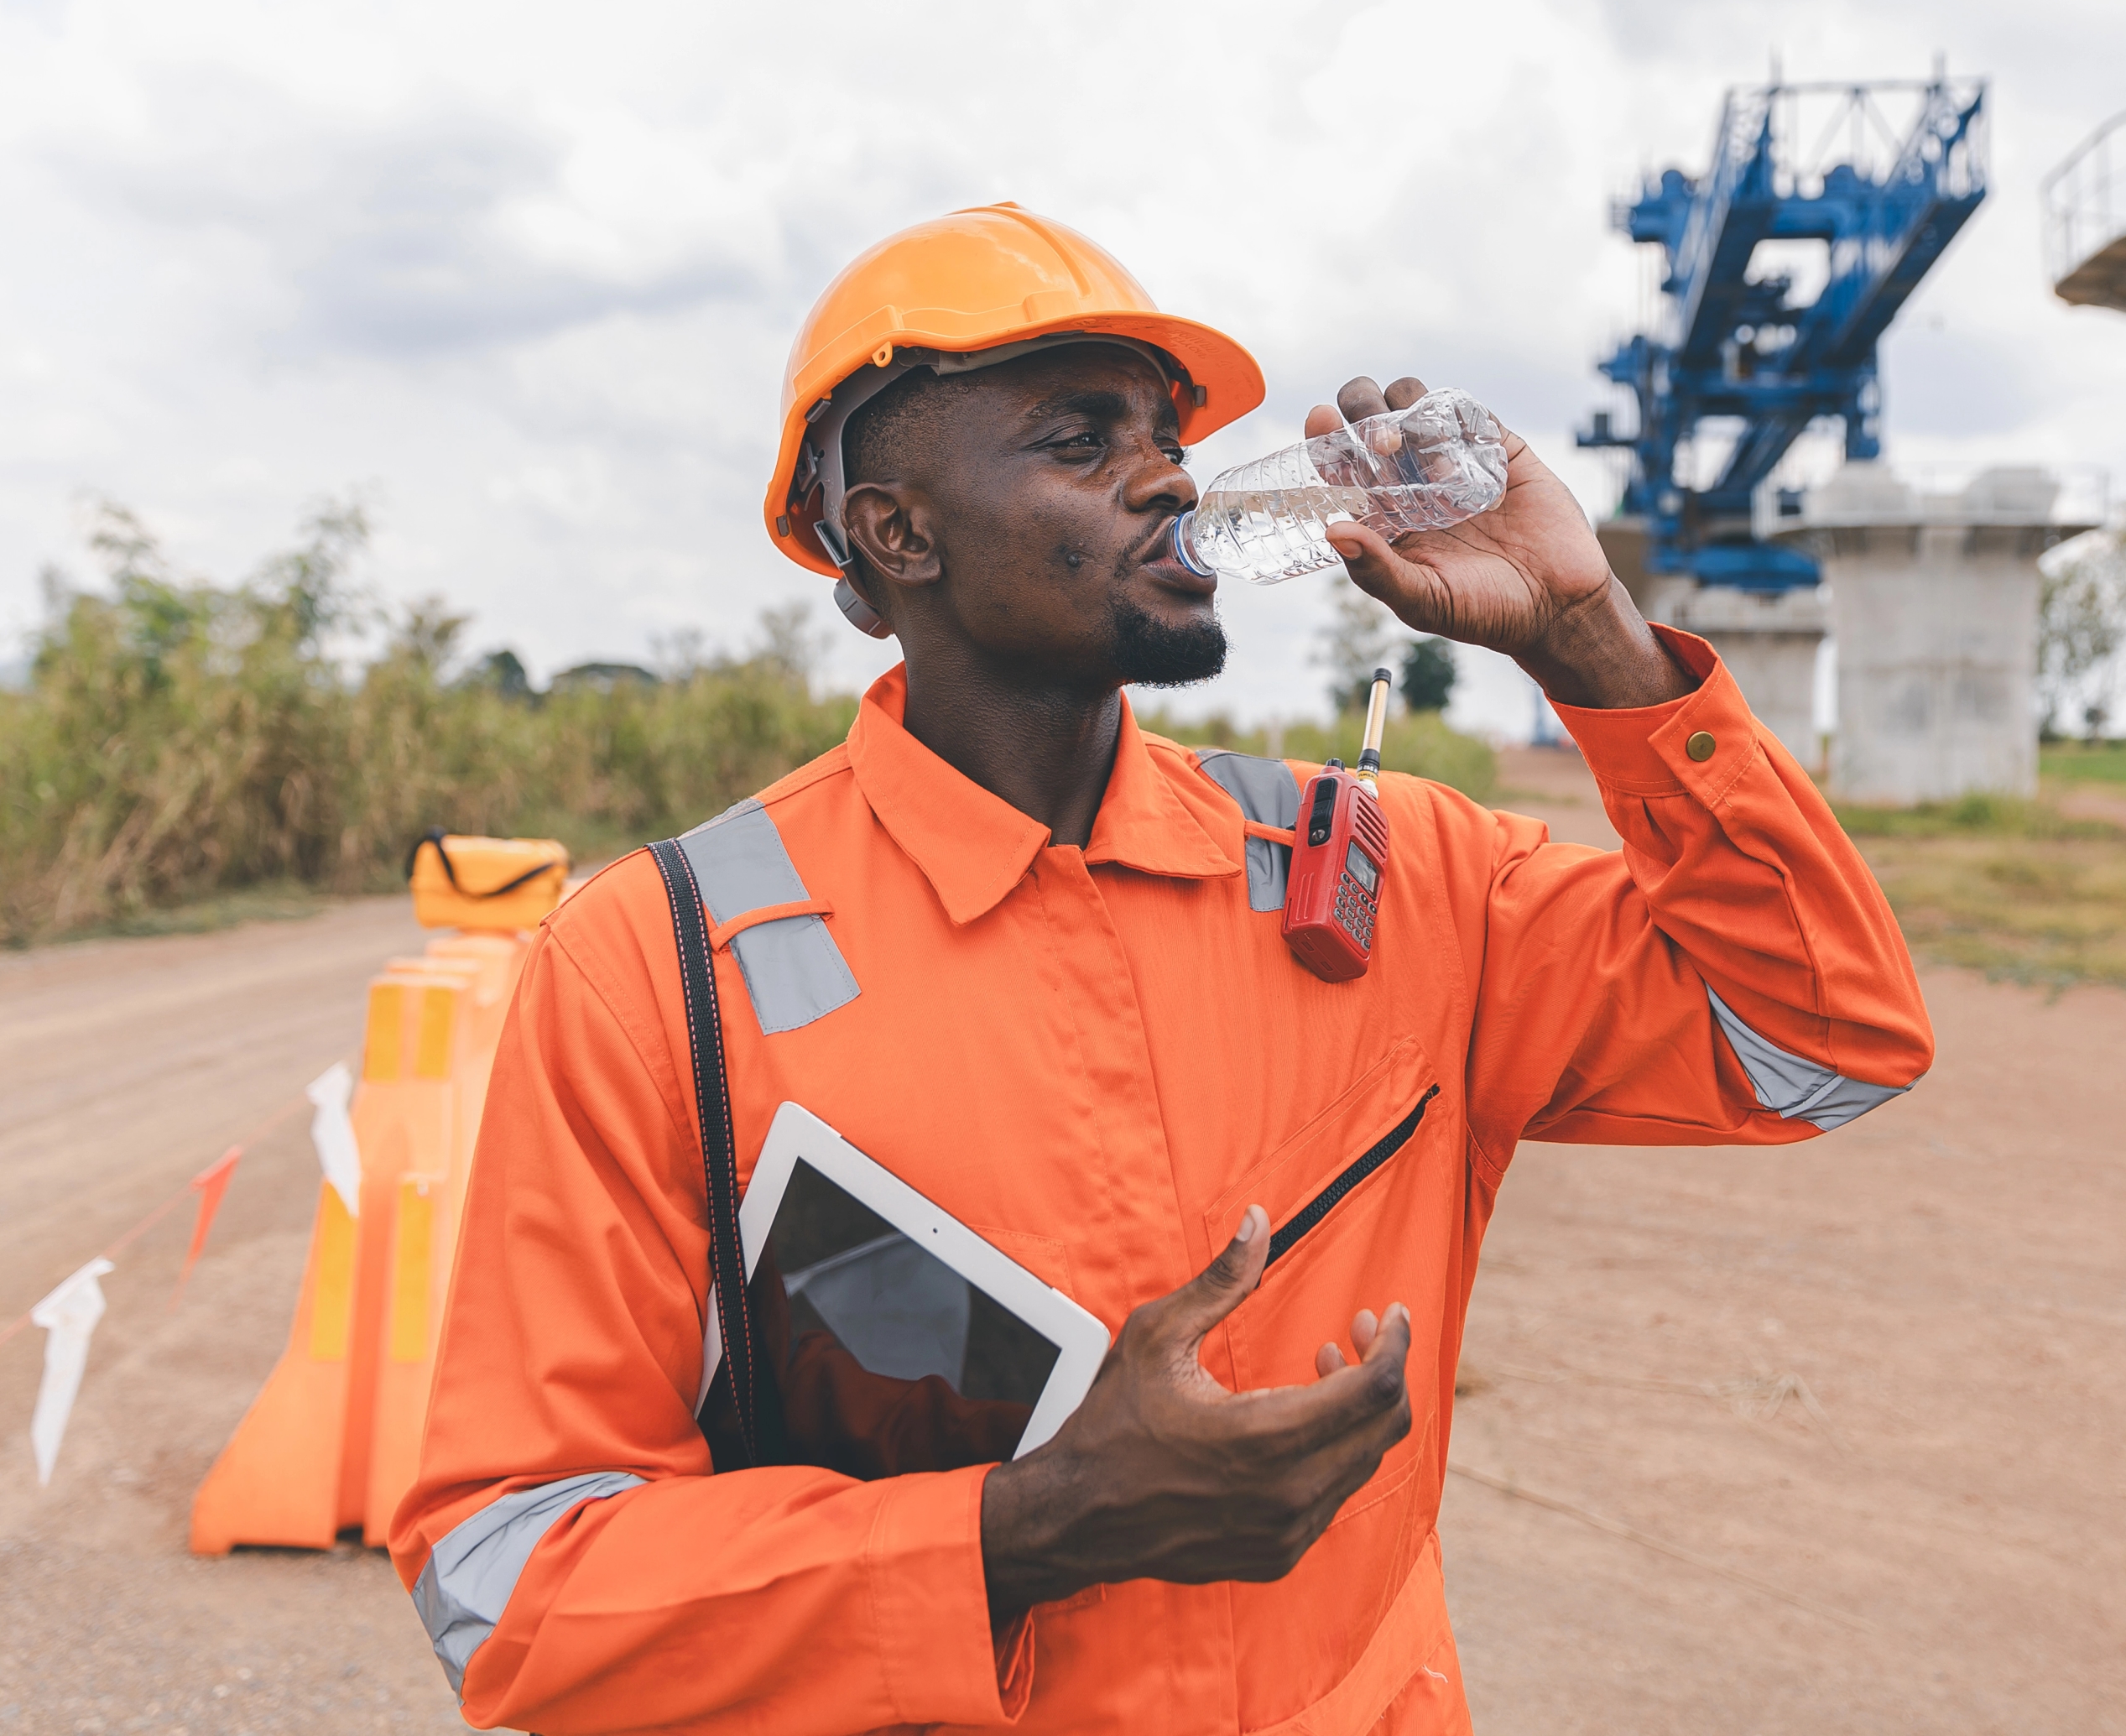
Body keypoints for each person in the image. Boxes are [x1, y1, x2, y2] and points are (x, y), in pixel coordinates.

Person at [391, 204, 1932, 1733]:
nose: (1174, 480)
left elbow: (1821, 1038)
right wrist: (1022, 1532)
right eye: (1081, 442)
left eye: (1167, 435)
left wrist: (1591, 636)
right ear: (898, 532)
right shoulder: (658, 965)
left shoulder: (1394, 879)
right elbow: (510, 1575)